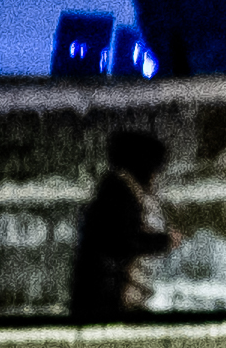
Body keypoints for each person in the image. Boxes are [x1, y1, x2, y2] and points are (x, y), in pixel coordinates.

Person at [69, 128, 178, 324]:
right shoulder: (119, 191)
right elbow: (121, 242)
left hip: (101, 298)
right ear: (145, 165)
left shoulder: (115, 188)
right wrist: (164, 241)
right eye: (156, 168)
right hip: (105, 301)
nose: (157, 176)